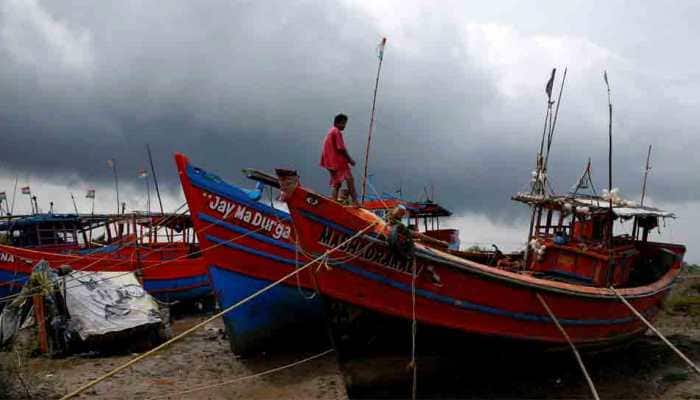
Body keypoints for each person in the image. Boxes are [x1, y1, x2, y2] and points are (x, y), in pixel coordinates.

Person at [320, 113, 358, 205]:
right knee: (350, 179)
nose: (344, 126)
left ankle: (334, 202)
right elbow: (341, 148)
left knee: (336, 182)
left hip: (328, 162)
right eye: (343, 123)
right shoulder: (336, 132)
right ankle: (355, 202)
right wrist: (350, 160)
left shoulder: (331, 132)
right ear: (337, 123)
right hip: (337, 162)